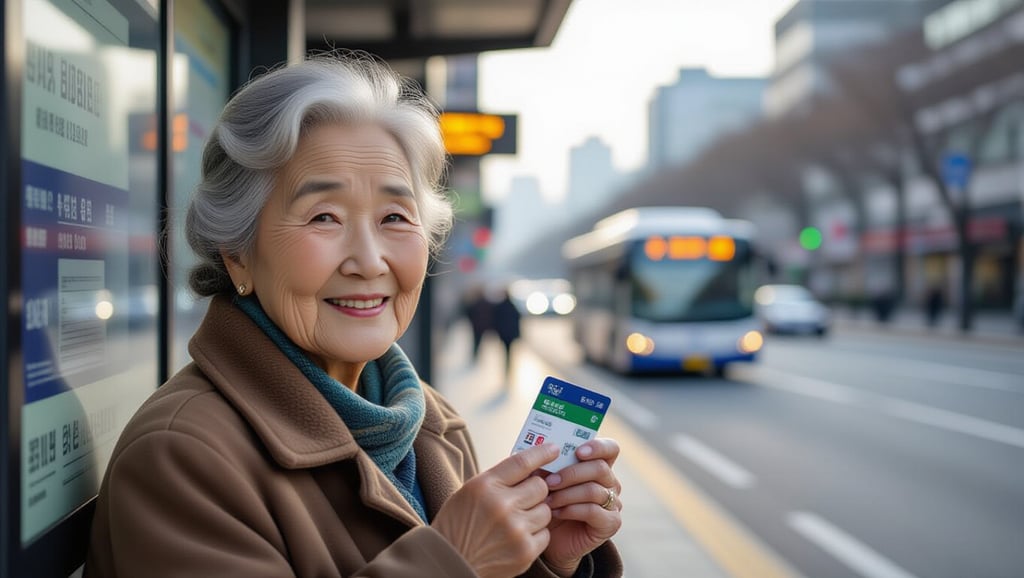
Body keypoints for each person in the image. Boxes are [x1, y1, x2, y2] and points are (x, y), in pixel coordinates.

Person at [85, 53, 623, 577]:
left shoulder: (428, 420)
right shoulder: (182, 458)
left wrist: (546, 559)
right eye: (324, 217)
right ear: (237, 253)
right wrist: (453, 558)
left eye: (395, 216)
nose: (369, 261)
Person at [491, 285, 523, 383]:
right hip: (511, 334)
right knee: (509, 352)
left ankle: (506, 368)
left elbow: (495, 321)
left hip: (504, 334)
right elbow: (518, 319)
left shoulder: (500, 306)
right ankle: (508, 368)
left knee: (506, 351)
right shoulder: (513, 306)